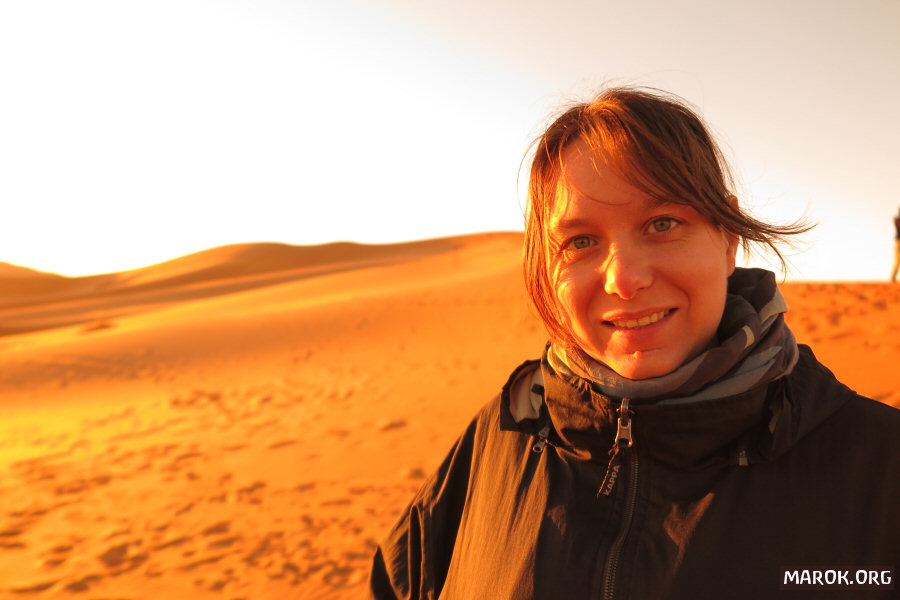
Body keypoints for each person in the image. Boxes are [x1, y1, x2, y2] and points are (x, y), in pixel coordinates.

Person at [367, 87, 900, 599]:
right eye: (580, 241)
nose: (624, 279)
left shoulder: (878, 468)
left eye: (662, 223)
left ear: (727, 236)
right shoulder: (500, 436)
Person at [892, 207, 900, 282]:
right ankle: (893, 276)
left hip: (897, 242)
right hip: (898, 241)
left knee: (897, 259)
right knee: (897, 259)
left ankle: (893, 276)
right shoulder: (897, 220)